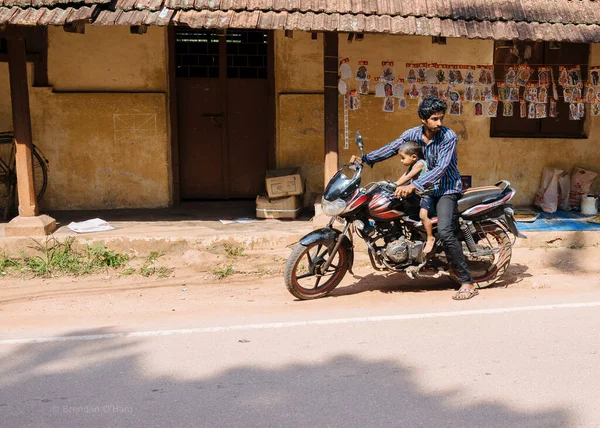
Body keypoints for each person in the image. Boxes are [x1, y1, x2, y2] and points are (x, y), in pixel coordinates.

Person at [349, 96, 477, 300]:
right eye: (434, 119)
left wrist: (414, 185)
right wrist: (365, 159)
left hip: (446, 189)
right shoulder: (413, 134)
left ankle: (467, 282)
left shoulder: (448, 137)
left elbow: (442, 168)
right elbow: (393, 148)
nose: (439, 123)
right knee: (397, 207)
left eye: (441, 118)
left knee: (445, 231)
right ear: (423, 119)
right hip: (424, 190)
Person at [393, 141, 435, 255]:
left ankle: (430, 237)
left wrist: (395, 185)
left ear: (413, 157)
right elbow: (404, 176)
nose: (401, 161)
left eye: (403, 158)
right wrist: (393, 184)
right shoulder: (412, 164)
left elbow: (408, 177)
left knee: (423, 215)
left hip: (427, 194)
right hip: (417, 195)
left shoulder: (420, 164)